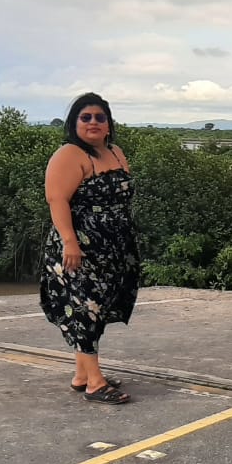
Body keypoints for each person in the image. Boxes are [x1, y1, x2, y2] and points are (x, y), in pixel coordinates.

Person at [40, 93, 140, 404]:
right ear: (74, 123)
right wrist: (70, 242)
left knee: (99, 308)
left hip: (112, 246)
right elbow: (57, 200)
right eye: (86, 117)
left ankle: (82, 375)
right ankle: (95, 383)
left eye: (100, 117)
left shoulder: (115, 152)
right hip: (79, 247)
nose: (93, 122)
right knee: (86, 310)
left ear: (109, 124)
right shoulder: (69, 155)